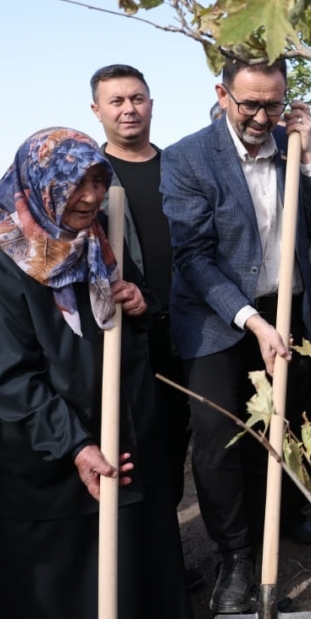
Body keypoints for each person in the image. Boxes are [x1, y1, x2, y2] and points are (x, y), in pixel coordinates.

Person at [0, 128, 196, 619]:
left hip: (114, 425)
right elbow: (10, 379)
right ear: (39, 183)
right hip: (42, 447)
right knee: (64, 571)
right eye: (76, 183)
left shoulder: (93, 244)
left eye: (98, 180)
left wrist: (138, 306)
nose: (91, 196)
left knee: (119, 556)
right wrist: (74, 444)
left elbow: (118, 323)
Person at [161, 57, 311, 615]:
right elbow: (192, 256)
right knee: (218, 437)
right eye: (250, 104)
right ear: (223, 94)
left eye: (274, 103)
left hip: (282, 306)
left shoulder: (288, 149)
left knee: (278, 427)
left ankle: (270, 537)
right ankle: (235, 558)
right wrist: (250, 320)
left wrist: (309, 162)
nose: (262, 116)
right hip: (215, 317)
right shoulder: (189, 157)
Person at [88, 64, 194, 510]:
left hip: (191, 322)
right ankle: (156, 556)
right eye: (116, 101)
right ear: (97, 111)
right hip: (131, 330)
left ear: (151, 103)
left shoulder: (180, 168)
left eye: (136, 99)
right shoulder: (90, 178)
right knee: (141, 441)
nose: (128, 109)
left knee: (188, 438)